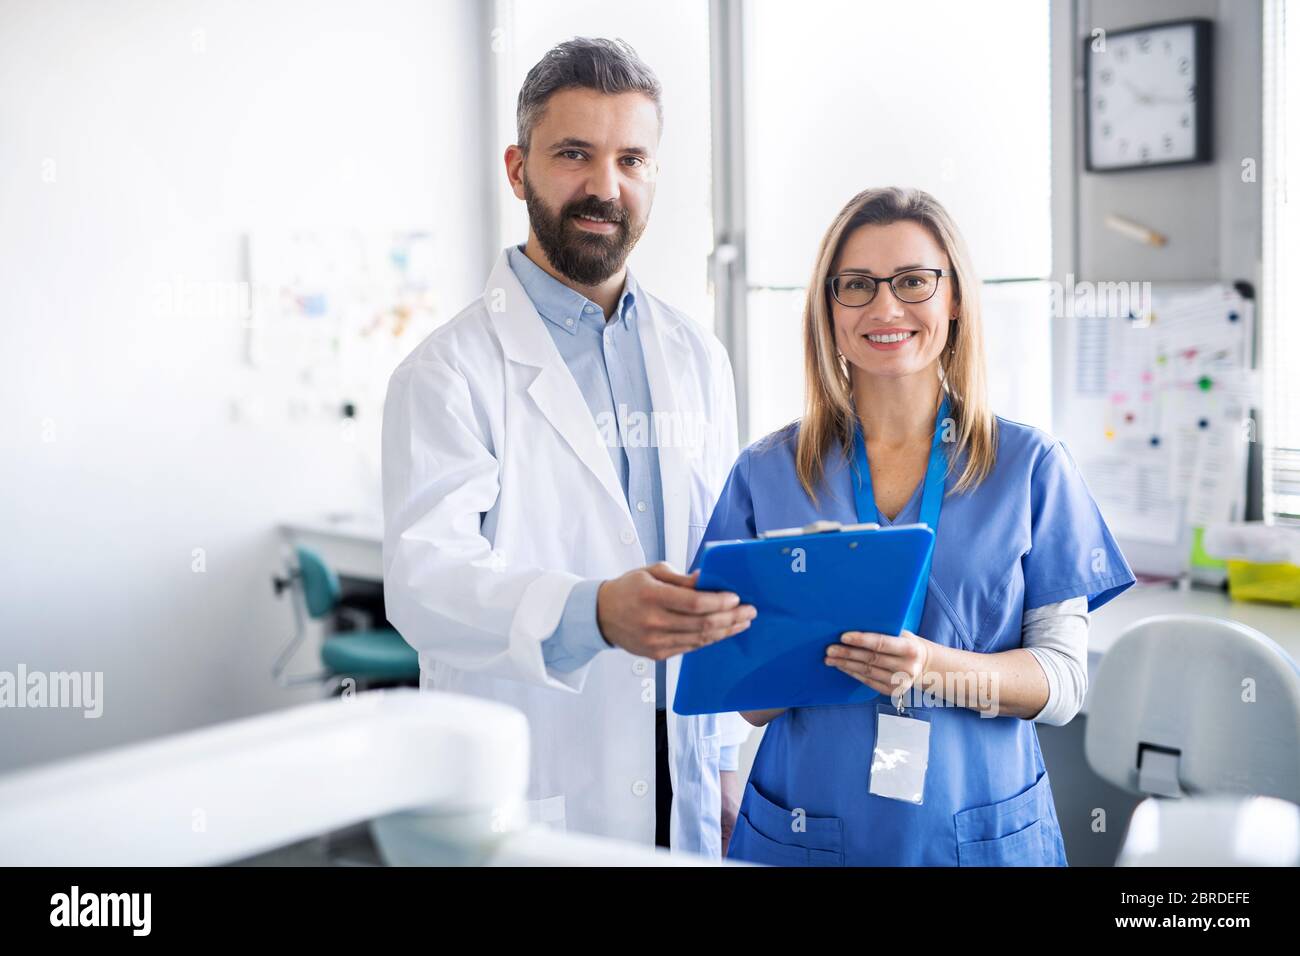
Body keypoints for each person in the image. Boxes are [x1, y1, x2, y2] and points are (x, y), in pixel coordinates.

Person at [382, 37, 752, 858]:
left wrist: (724, 764)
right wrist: (591, 611)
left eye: (631, 158)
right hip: (540, 774)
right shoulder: (447, 371)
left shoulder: (698, 358)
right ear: (518, 169)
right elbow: (423, 584)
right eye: (574, 154)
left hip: (682, 772)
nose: (604, 187)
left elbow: (719, 567)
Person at [694, 186, 1136, 865]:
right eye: (857, 286)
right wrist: (796, 619)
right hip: (811, 824)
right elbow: (746, 704)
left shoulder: (1029, 467)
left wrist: (930, 668)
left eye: (912, 281)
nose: (885, 307)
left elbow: (1062, 685)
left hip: (976, 826)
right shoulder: (766, 473)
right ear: (828, 307)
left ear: (953, 298)